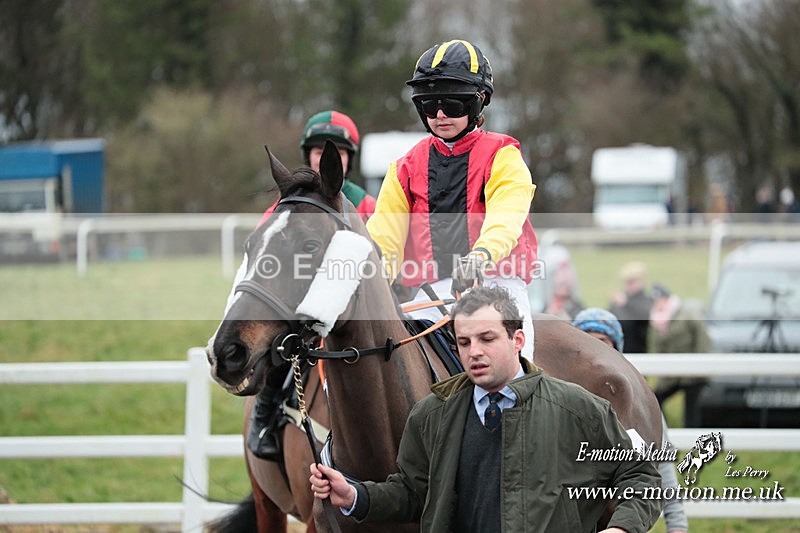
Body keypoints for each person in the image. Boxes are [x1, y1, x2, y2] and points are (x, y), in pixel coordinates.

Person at [310, 286, 661, 532]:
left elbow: (642, 478)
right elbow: (414, 494)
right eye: (464, 342)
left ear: (517, 340)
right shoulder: (432, 415)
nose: (473, 352)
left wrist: (620, 530)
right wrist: (356, 495)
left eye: (487, 338)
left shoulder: (580, 409)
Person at [365, 39, 539, 361]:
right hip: (432, 293)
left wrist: (480, 256)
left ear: (479, 102)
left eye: (453, 105)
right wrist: (367, 279)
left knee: (510, 373)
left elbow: (507, 217)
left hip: (498, 285)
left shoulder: (503, 156)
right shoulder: (403, 168)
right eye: (430, 106)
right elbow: (384, 240)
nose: (441, 115)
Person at [247, 110, 375, 460]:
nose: (324, 157)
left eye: (334, 152)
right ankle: (265, 412)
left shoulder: (366, 203)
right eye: (316, 151)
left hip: (353, 307)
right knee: (277, 346)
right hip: (301, 304)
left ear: (347, 159)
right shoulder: (288, 203)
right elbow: (264, 247)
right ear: (307, 156)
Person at [573, 308, 689, 533]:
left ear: (617, 350)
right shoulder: (559, 401)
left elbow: (662, 467)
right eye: (587, 341)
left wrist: (677, 526)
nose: (595, 351)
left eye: (604, 342)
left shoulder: (638, 402)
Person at [258, 109, 376, 226]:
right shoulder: (284, 205)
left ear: (349, 160)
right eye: (319, 153)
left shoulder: (369, 207)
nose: (327, 160)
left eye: (338, 153)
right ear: (308, 157)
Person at [648, 284, 711, 428]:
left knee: (691, 409)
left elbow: (702, 336)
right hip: (673, 374)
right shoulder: (656, 320)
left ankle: (693, 439)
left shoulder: (687, 313)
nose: (657, 303)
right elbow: (657, 346)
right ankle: (662, 429)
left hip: (693, 372)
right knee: (656, 398)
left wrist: (701, 363)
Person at [609, 261, 653, 354]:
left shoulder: (646, 300)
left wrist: (626, 303)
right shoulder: (620, 300)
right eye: (627, 282)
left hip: (639, 350)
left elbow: (645, 315)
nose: (629, 285)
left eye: (632, 282)